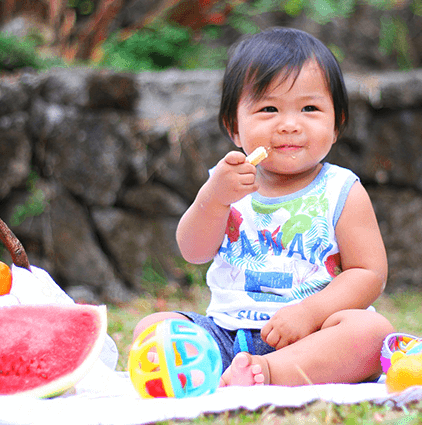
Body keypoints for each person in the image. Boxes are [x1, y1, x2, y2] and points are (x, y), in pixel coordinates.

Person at [133, 27, 393, 387]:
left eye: (310, 108)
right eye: (268, 108)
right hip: (225, 333)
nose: (289, 125)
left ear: (337, 125)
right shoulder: (226, 183)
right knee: (152, 328)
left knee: (372, 331)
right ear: (234, 128)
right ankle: (230, 371)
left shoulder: (341, 190)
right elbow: (193, 251)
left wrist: (309, 313)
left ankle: (269, 373)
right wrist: (213, 198)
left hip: (312, 335)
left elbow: (368, 273)